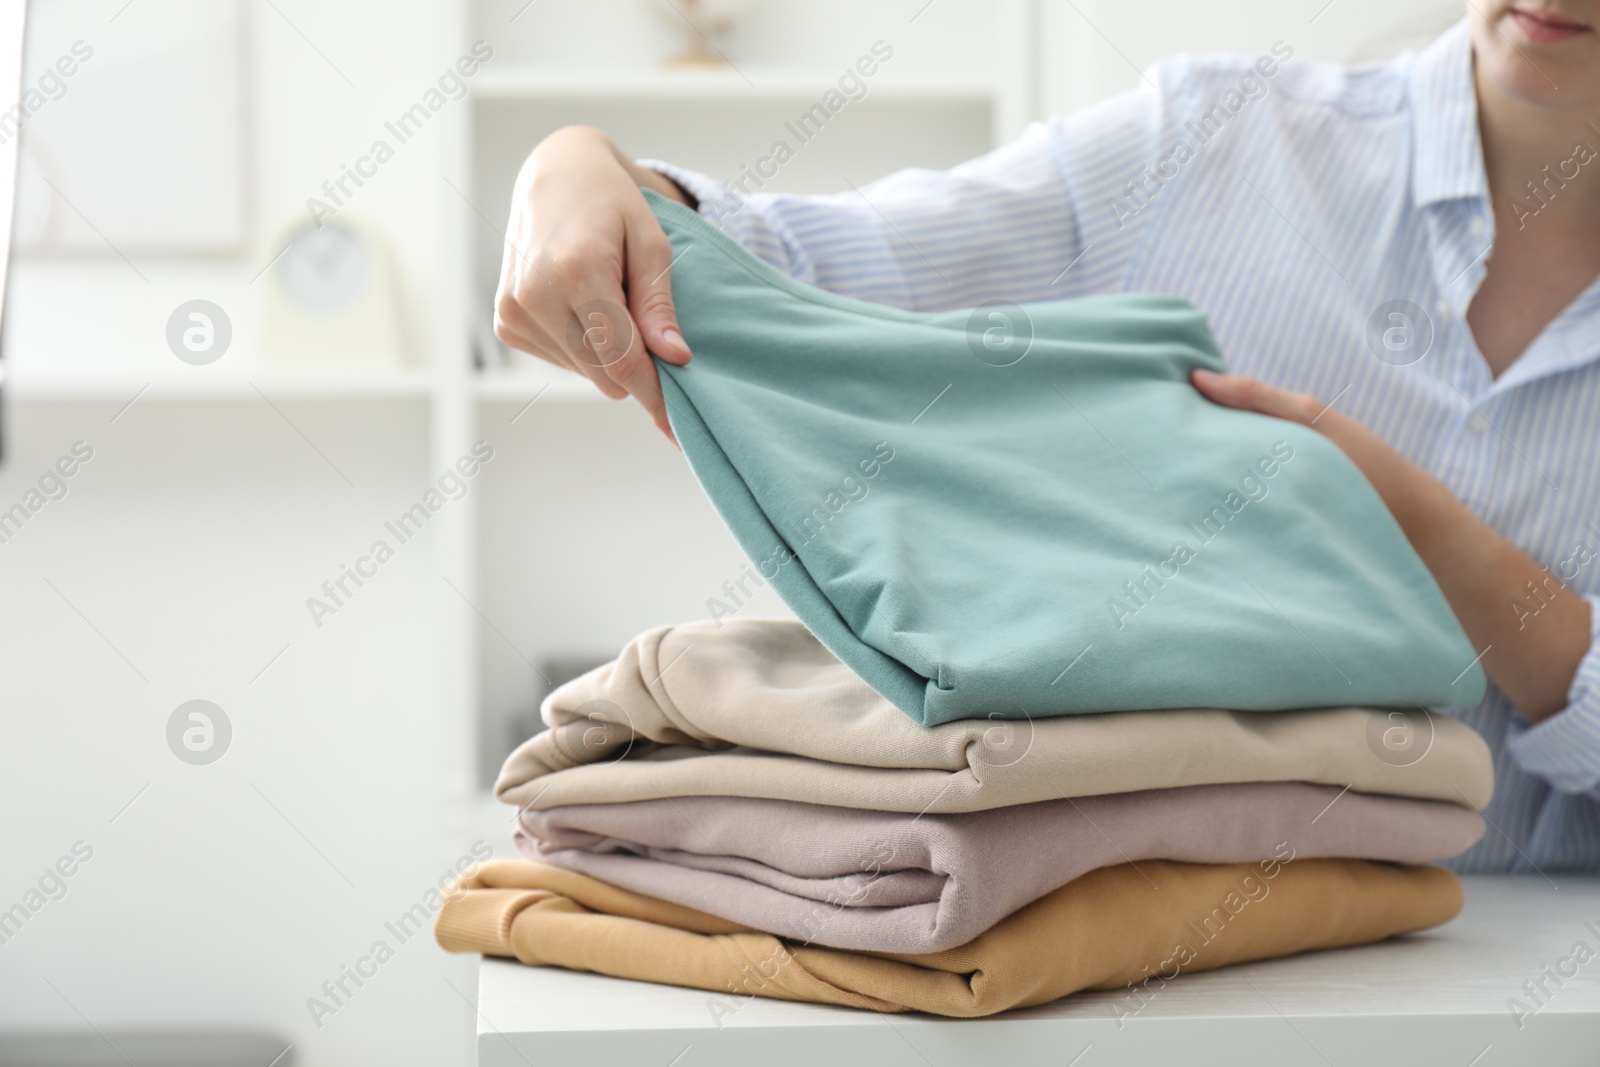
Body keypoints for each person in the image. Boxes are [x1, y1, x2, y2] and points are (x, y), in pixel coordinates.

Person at [491, 4, 1600, 871]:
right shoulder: (1207, 143)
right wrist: (582, 173)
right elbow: (816, 275)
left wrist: (1410, 530)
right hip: (1168, 965)